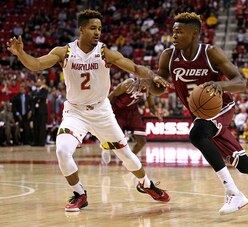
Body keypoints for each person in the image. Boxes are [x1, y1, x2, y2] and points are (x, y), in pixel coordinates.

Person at [137, 12, 248, 215]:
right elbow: (161, 87)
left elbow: (241, 82)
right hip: (201, 115)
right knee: (245, 165)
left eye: (179, 32)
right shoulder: (168, 56)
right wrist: (149, 84)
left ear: (194, 34)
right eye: (173, 31)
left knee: (197, 134)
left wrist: (219, 84)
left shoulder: (211, 53)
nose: (173, 36)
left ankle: (233, 191)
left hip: (222, 107)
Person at [7, 9, 170, 212]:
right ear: (81, 29)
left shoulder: (105, 53)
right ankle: (79, 194)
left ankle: (146, 184)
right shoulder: (64, 52)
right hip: (75, 112)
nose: (97, 32)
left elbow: (135, 68)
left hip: (102, 111)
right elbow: (36, 65)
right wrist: (21, 53)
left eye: (100, 29)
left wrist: (153, 76)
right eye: (93, 28)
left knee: (127, 155)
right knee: (62, 151)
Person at [102, 78, 160, 163]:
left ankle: (128, 161)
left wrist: (156, 112)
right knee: (117, 139)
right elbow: (113, 95)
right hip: (118, 111)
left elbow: (151, 106)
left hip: (133, 112)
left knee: (142, 141)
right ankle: (106, 147)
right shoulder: (128, 83)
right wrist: (103, 110)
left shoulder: (148, 88)